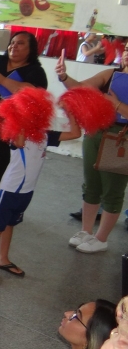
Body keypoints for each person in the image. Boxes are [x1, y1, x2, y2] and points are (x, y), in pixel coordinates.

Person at [0, 103, 81, 282]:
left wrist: (71, 112)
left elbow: (75, 134)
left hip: (27, 189)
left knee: (11, 223)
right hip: (10, 188)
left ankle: (2, 258)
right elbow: (18, 142)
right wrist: (18, 118)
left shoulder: (45, 135)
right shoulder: (17, 134)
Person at [58, 47, 128, 253]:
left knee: (113, 188)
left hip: (121, 138)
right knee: (91, 184)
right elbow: (80, 88)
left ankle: (101, 238)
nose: (127, 53)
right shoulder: (111, 74)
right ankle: (86, 231)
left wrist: (115, 104)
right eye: (126, 49)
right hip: (97, 131)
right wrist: (63, 76)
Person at [0, 31, 48, 212]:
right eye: (12, 43)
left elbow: (32, 92)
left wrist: (2, 80)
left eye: (20, 43)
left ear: (30, 49)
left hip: (7, 127)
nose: (14, 46)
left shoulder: (35, 71)